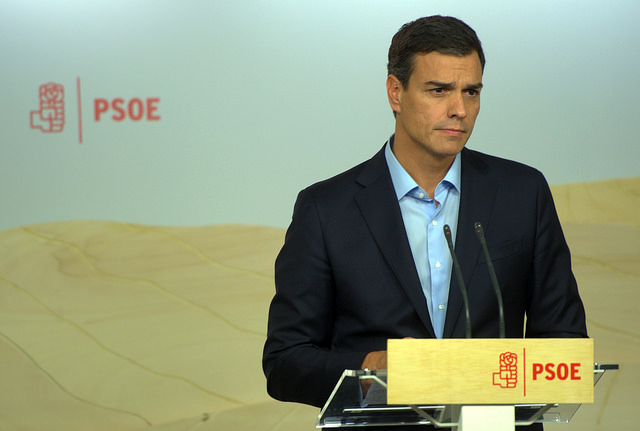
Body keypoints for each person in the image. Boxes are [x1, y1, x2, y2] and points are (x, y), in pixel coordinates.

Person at [262, 15, 587, 429]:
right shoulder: (327, 209)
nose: (459, 110)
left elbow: (565, 342)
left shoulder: (523, 193)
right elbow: (285, 362)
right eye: (439, 91)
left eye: (472, 92)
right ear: (395, 93)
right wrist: (369, 368)